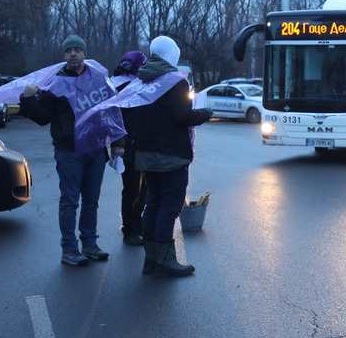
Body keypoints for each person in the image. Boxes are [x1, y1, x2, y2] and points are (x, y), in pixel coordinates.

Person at [20, 35, 122, 266]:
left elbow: (111, 111)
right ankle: (69, 249)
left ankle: (90, 244)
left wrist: (118, 141)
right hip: (69, 151)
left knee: (91, 200)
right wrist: (27, 100)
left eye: (77, 50)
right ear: (64, 56)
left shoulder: (97, 79)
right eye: (68, 51)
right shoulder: (55, 84)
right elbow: (43, 117)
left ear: (84, 53)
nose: (73, 54)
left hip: (95, 148)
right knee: (70, 201)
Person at [129, 36, 212, 278]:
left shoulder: (141, 79)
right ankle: (166, 261)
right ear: (172, 55)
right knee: (169, 207)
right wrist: (205, 113)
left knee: (153, 203)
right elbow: (182, 116)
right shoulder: (175, 81)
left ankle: (151, 260)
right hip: (171, 155)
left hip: (146, 153)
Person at [110, 51, 149, 245]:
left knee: (136, 187)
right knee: (135, 188)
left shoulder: (114, 83)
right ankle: (131, 228)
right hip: (130, 143)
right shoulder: (131, 86)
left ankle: (135, 225)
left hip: (128, 143)